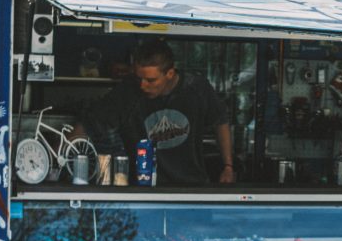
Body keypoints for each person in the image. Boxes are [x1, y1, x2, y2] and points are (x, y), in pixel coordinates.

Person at [87, 38, 235, 186]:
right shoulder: (127, 91)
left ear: (170, 73)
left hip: (191, 186)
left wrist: (228, 167)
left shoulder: (196, 88)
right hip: (141, 188)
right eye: (139, 78)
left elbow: (221, 122)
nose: (143, 86)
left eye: (151, 80)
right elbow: (90, 122)